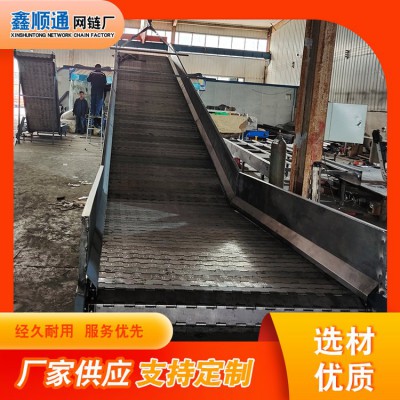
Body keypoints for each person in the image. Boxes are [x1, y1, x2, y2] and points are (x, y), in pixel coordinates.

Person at [87, 64, 107, 128]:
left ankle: (93, 113)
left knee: (93, 102)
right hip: (100, 91)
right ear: (100, 68)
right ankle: (97, 114)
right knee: (99, 103)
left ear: (95, 68)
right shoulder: (102, 74)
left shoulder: (92, 73)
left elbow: (88, 80)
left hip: (93, 90)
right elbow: (105, 83)